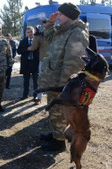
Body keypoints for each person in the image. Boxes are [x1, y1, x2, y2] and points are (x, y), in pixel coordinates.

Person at [39, 3, 89, 151]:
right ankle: (56, 134)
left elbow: (73, 64)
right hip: (53, 80)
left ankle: (59, 142)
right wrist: (51, 23)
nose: (57, 16)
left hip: (61, 83)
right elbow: (48, 37)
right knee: (55, 110)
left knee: (60, 111)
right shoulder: (63, 30)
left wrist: (65, 87)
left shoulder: (77, 33)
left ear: (68, 16)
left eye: (60, 14)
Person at [27, 19, 50, 104]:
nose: (45, 28)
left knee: (47, 80)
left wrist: (26, 48)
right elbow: (34, 47)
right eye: (44, 26)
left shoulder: (54, 34)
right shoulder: (41, 36)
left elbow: (33, 47)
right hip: (45, 60)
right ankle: (40, 97)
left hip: (51, 61)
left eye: (46, 26)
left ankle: (44, 98)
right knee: (43, 80)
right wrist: (36, 35)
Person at [17, 26, 40, 101]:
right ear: (26, 33)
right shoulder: (23, 41)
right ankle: (25, 95)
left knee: (35, 81)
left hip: (35, 63)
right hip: (26, 64)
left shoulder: (37, 40)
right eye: (28, 32)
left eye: (31, 32)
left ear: (34, 32)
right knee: (26, 81)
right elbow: (19, 51)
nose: (30, 33)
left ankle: (35, 95)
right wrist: (27, 49)